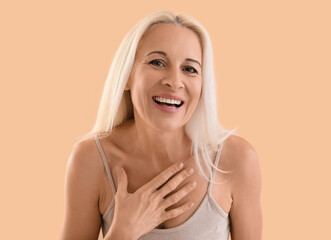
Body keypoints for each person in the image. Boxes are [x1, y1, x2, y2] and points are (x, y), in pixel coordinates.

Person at [60, 10, 262, 240]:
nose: (174, 81)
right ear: (127, 76)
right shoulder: (90, 160)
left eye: (190, 69)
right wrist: (122, 232)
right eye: (157, 62)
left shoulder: (236, 160)